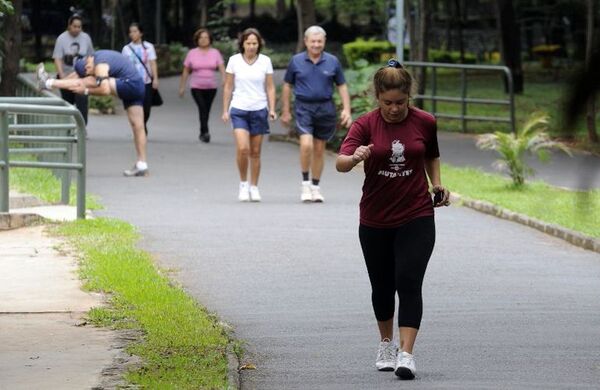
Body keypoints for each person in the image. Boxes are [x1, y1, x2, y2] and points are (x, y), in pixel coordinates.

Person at [336, 59, 450, 380]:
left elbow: (430, 153)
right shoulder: (365, 125)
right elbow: (340, 163)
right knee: (382, 286)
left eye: (400, 102)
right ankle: (385, 344)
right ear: (377, 97)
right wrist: (355, 157)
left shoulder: (425, 122)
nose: (395, 109)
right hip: (375, 218)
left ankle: (406, 353)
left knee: (409, 281)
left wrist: (436, 184)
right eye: (388, 103)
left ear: (409, 97)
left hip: (416, 214)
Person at [36, 50, 149, 177]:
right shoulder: (92, 61)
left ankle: (47, 82)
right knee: (137, 126)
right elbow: (74, 78)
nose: (87, 70)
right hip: (138, 86)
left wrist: (85, 91)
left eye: (87, 67)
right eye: (85, 70)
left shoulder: (100, 64)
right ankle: (142, 164)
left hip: (130, 83)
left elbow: (105, 90)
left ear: (90, 58)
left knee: (90, 81)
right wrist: (62, 84)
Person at [281, 25, 352, 203]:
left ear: (324, 42)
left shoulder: (332, 61)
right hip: (304, 107)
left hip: (325, 108)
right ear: (306, 42)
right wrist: (286, 111)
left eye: (319, 41)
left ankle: (315, 186)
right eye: (312, 41)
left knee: (319, 149)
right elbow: (287, 85)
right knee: (306, 145)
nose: (316, 44)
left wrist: (346, 109)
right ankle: (305, 183)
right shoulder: (296, 61)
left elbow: (341, 86)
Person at [222, 28, 276, 202]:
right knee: (243, 148)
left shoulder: (265, 61)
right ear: (242, 44)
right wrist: (225, 110)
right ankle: (243, 183)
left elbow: (270, 87)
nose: (252, 46)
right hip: (239, 109)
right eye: (248, 43)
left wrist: (272, 108)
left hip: (259, 109)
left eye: (255, 43)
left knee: (255, 152)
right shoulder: (234, 61)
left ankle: (254, 186)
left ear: (259, 44)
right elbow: (228, 86)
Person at [179, 28, 225, 143]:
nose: (203, 40)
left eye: (206, 38)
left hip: (211, 87)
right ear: (197, 40)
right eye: (201, 38)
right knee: (202, 107)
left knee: (206, 109)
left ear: (210, 40)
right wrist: (182, 86)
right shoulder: (192, 53)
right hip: (196, 86)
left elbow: (222, 68)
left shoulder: (215, 53)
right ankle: (205, 132)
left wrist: (225, 80)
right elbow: (185, 71)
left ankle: (202, 131)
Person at [52, 14, 94, 124]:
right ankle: (68, 127)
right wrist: (62, 76)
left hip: (81, 77)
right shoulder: (61, 38)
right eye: (74, 26)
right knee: (68, 103)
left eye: (79, 27)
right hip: (66, 75)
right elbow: (57, 58)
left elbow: (91, 57)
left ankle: (82, 127)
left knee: (82, 101)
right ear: (69, 26)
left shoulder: (86, 38)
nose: (77, 29)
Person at [122, 22, 159, 136]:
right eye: (131, 32)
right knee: (135, 107)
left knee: (146, 108)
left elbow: (152, 63)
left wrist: (155, 79)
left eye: (135, 31)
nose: (132, 34)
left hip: (146, 81)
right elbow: (123, 65)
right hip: (132, 82)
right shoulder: (126, 49)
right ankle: (140, 128)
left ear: (141, 33)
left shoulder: (148, 47)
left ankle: (142, 124)